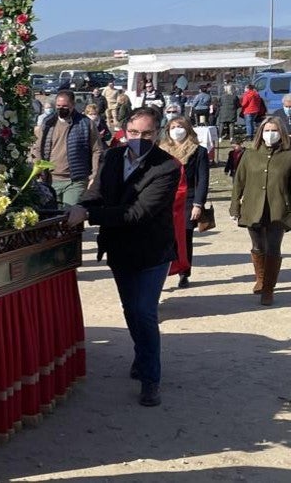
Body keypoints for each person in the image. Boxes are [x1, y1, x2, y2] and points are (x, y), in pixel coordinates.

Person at [66, 107, 179, 407]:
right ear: (123, 131)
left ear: (157, 134)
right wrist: (78, 206)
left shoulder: (167, 167)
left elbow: (139, 212)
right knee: (130, 310)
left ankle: (151, 379)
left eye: (146, 134)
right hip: (119, 249)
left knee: (144, 311)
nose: (139, 139)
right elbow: (98, 191)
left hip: (152, 250)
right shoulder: (112, 157)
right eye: (133, 133)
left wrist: (89, 214)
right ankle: (142, 356)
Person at [230, 116, 291, 306]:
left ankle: (268, 289)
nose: (270, 134)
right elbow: (239, 181)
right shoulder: (250, 153)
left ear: (281, 133)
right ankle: (261, 279)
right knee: (258, 247)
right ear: (260, 133)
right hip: (252, 207)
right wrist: (235, 206)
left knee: (273, 248)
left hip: (278, 208)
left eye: (274, 131)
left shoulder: (289, 155)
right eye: (266, 131)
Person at [161, 116, 209, 288]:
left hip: (188, 200)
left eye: (180, 126)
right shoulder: (161, 150)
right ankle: (163, 270)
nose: (176, 130)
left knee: (185, 236)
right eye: (173, 127)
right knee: (164, 236)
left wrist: (198, 204)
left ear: (187, 128)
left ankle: (184, 272)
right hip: (165, 199)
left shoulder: (199, 151)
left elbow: (202, 180)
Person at [34, 90, 102, 206]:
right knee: (52, 217)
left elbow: (97, 150)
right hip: (51, 179)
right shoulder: (48, 123)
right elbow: (38, 147)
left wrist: (94, 176)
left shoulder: (85, 124)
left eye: (65, 106)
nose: (61, 109)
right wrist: (37, 167)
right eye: (58, 106)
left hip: (75, 180)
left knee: (70, 215)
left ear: (73, 105)